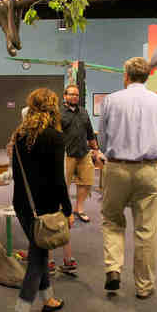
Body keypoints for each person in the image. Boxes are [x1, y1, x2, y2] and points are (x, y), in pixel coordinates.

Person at [97, 57, 157, 299]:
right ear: (147, 76)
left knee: (112, 220)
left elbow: (103, 140)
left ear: (126, 76)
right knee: (147, 229)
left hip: (116, 168)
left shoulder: (111, 100)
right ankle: (144, 286)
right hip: (148, 170)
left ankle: (113, 268)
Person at [10, 88, 73, 312]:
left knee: (40, 250)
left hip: (22, 204)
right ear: (53, 107)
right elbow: (59, 179)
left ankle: (49, 300)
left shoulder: (19, 135)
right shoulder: (55, 137)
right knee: (37, 260)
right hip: (44, 208)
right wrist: (67, 209)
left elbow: (17, 175)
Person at [57, 83, 105, 273]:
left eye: (76, 95)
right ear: (64, 96)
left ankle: (79, 208)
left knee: (86, 182)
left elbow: (90, 133)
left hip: (83, 153)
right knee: (63, 184)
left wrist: (96, 149)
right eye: (71, 94)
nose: (74, 97)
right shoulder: (59, 113)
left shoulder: (83, 112)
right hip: (66, 154)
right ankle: (64, 209)